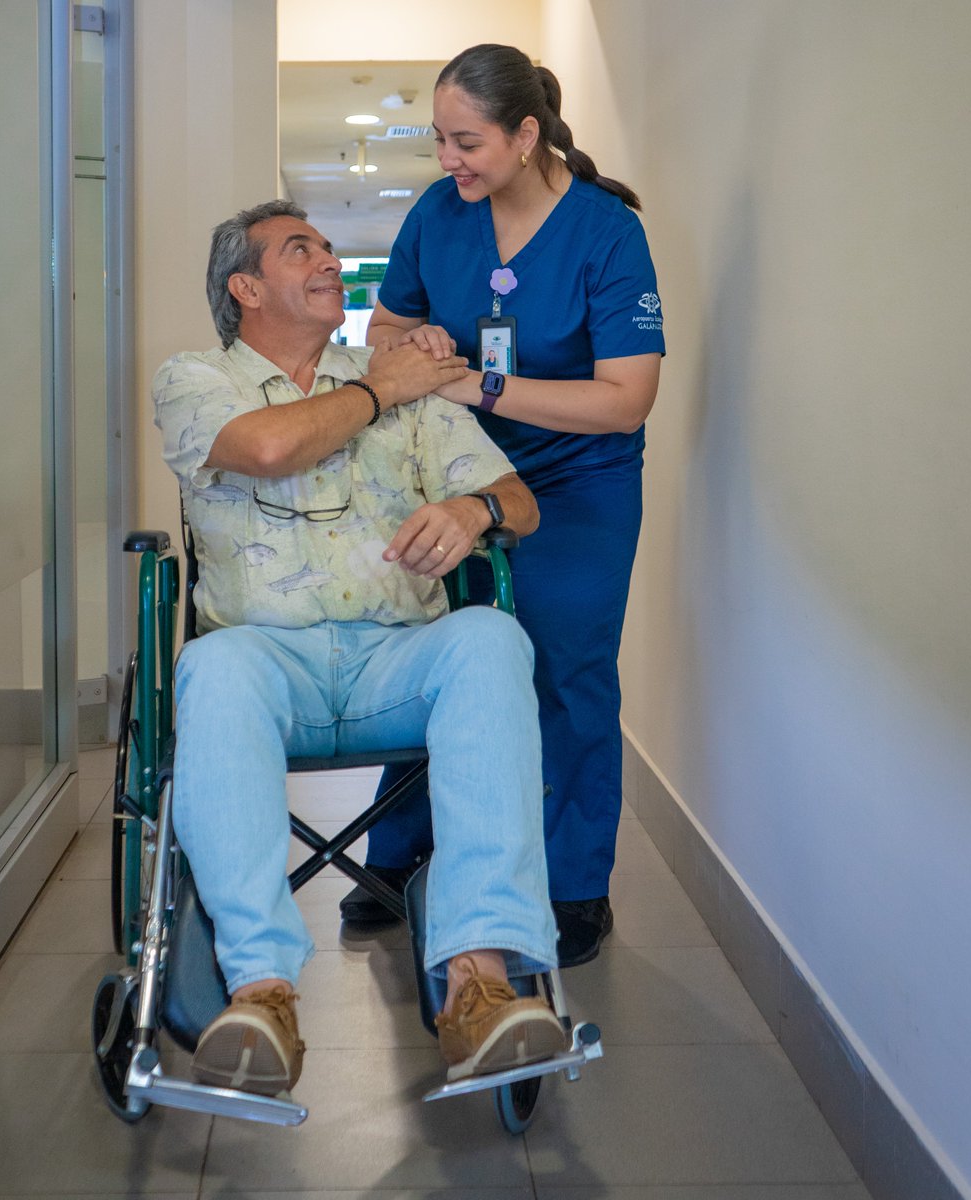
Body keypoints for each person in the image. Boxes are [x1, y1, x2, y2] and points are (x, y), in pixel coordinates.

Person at [151, 198, 565, 1097]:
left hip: (394, 660)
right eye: (303, 248)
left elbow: (520, 500)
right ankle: (262, 995)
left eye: (331, 246)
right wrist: (384, 389)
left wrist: (474, 508)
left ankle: (479, 987)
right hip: (267, 663)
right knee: (209, 666)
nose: (331, 259)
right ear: (246, 287)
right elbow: (263, 446)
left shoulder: (402, 380)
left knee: (490, 639)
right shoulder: (197, 378)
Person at [344, 44, 665, 968]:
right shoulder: (440, 217)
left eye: (467, 141)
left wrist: (482, 386)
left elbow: (624, 399)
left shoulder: (606, 232)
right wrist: (421, 339)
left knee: (568, 672)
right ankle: (395, 860)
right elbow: (388, 329)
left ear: (526, 136)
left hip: (579, 484)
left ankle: (571, 887)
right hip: (457, 473)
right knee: (439, 655)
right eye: (439, 140)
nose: (449, 161)